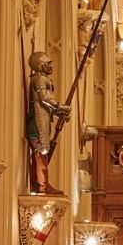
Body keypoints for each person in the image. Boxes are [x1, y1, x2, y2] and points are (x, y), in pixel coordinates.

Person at [26, 52, 70, 195]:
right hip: (36, 122)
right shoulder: (39, 79)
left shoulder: (44, 79)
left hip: (43, 119)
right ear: (40, 64)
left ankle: (42, 182)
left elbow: (47, 105)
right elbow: (44, 99)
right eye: (48, 63)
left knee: (42, 153)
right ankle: (41, 185)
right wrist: (61, 107)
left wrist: (59, 113)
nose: (51, 66)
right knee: (40, 154)